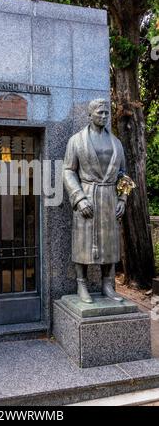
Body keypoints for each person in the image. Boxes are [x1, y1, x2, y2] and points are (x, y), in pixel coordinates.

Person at [63, 98, 130, 303]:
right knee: (83, 242)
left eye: (106, 113)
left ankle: (107, 285)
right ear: (89, 115)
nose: (103, 116)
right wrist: (79, 198)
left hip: (109, 197)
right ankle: (81, 285)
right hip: (87, 196)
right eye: (99, 113)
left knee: (110, 242)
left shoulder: (116, 143)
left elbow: (123, 174)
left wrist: (123, 198)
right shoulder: (76, 140)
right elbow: (68, 171)